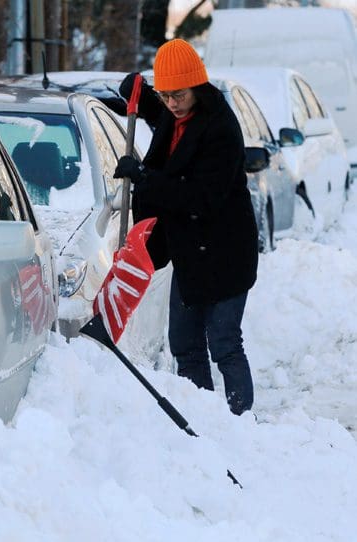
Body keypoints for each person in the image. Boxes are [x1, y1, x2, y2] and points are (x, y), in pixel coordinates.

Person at [113, 38, 258, 415]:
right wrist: (139, 93)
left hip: (226, 252)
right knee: (184, 344)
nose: (172, 103)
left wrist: (144, 177)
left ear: (197, 86)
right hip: (190, 251)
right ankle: (203, 418)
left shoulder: (220, 128)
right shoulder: (175, 113)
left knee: (224, 342)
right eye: (165, 96)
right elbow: (160, 116)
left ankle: (241, 422)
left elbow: (200, 197)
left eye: (178, 94)